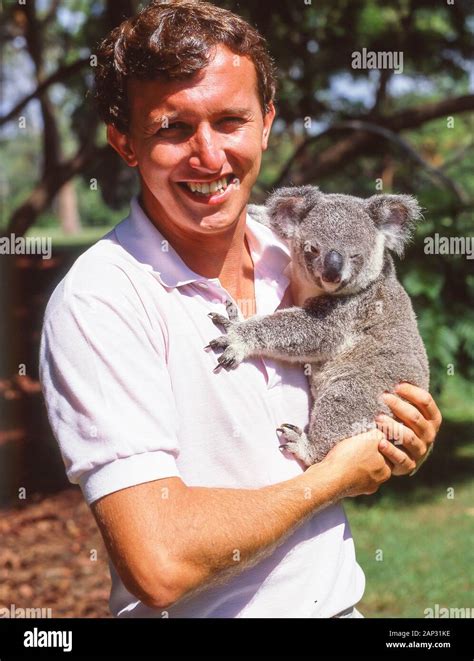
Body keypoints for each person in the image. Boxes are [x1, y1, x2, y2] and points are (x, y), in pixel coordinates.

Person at [39, 0, 441, 618]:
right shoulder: (101, 301)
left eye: (230, 121)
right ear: (123, 142)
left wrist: (401, 437)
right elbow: (160, 562)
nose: (208, 155)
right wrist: (333, 477)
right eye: (173, 128)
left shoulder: (299, 246)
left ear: (266, 123)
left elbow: (375, 345)